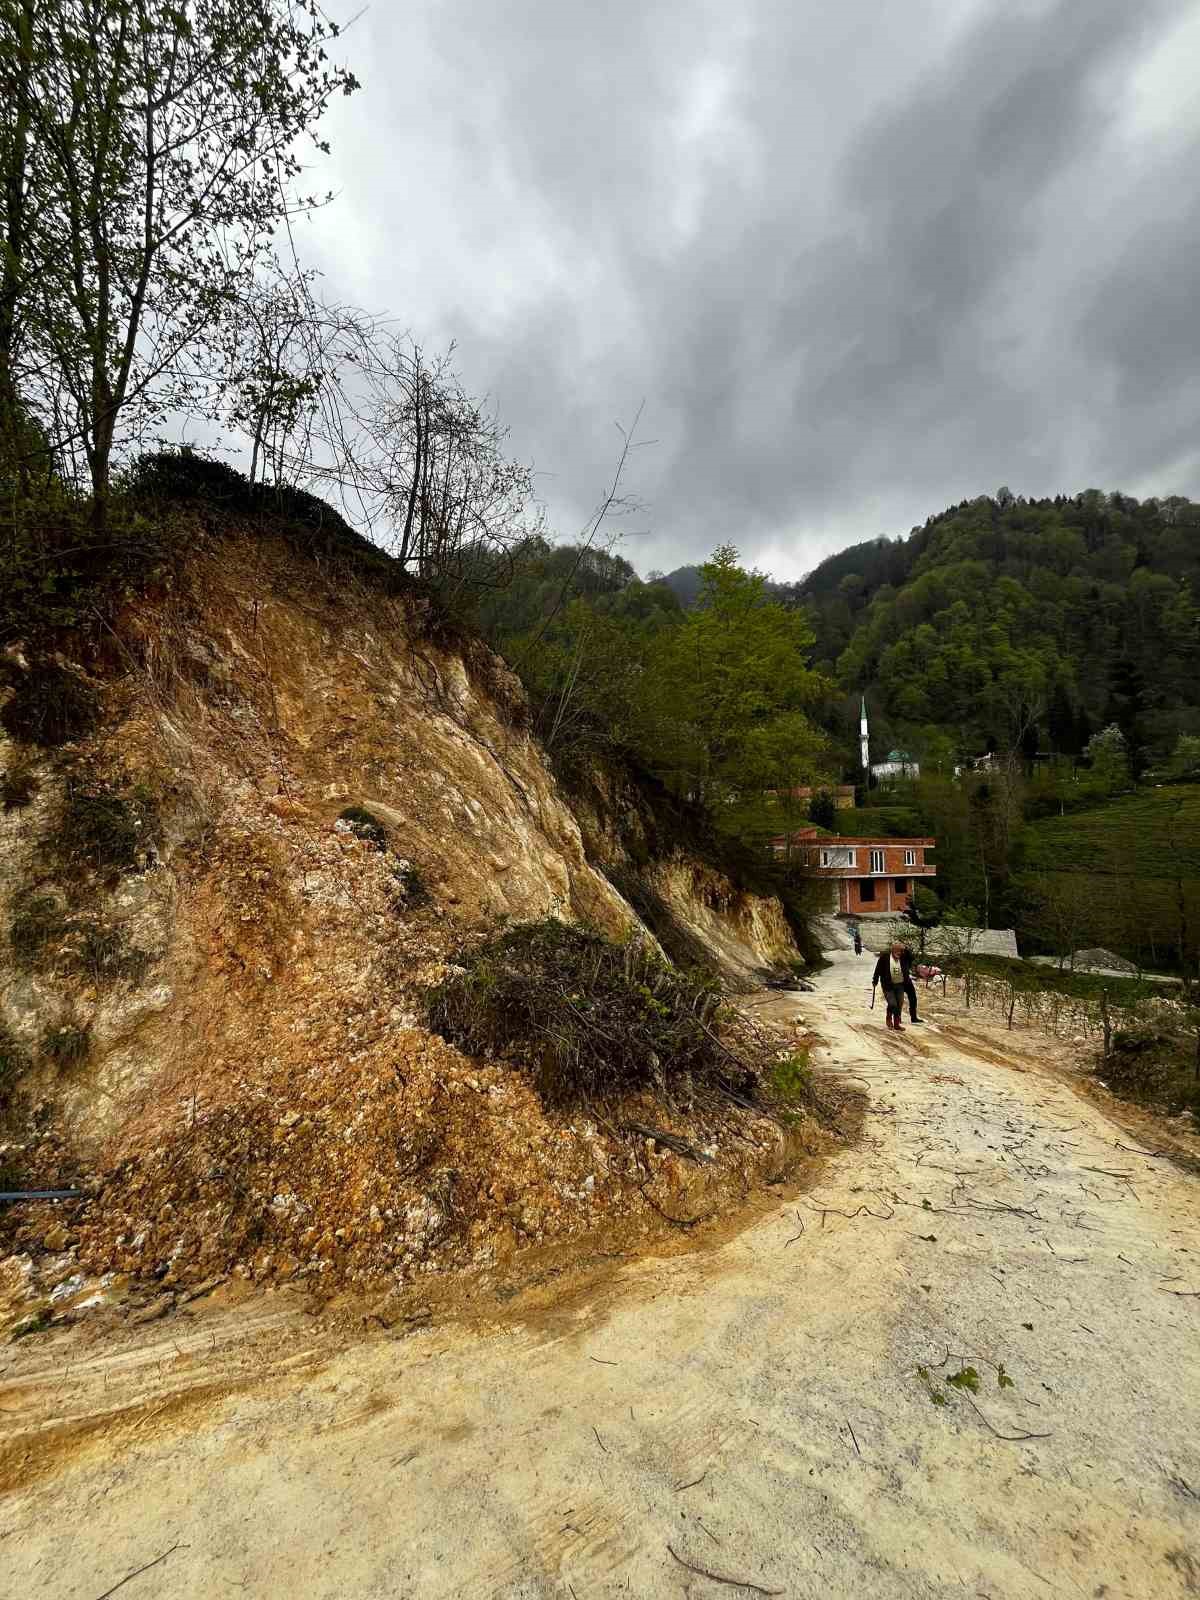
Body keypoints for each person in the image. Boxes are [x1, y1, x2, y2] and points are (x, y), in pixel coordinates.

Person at [872, 941, 911, 1030]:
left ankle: (896, 1024)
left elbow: (911, 958)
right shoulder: (885, 958)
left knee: (899, 1003)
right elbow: (878, 969)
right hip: (888, 985)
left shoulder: (903, 958)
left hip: (900, 985)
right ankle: (889, 1019)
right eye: (897, 951)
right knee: (893, 1004)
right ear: (892, 950)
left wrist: (905, 949)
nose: (899, 953)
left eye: (901, 951)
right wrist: (875, 980)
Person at [901, 944, 923, 1023]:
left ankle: (913, 1017)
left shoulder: (906, 957)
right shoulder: (897, 957)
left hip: (906, 980)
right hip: (899, 981)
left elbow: (911, 958)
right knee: (899, 1000)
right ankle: (898, 1018)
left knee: (913, 999)